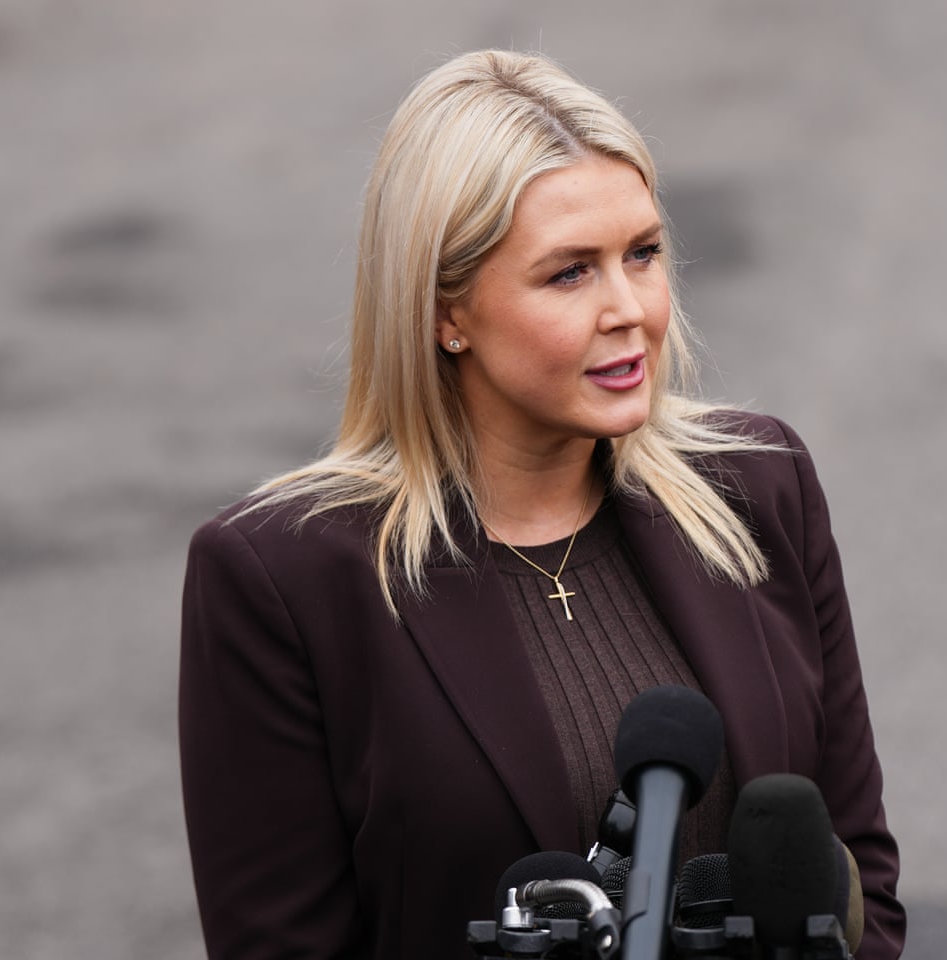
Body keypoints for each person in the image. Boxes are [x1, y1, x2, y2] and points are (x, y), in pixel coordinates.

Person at [179, 49, 905, 960]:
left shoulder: (760, 484)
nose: (630, 308)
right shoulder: (281, 581)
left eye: (642, 254)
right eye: (569, 273)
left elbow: (858, 880)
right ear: (447, 311)